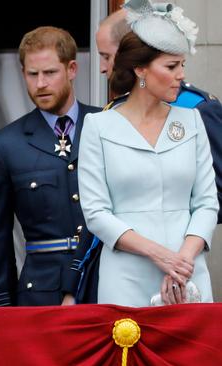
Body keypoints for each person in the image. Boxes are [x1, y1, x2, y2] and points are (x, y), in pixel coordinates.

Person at [79, 1, 218, 307]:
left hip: (188, 272)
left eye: (182, 64)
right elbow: (97, 213)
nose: (181, 75)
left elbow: (207, 202)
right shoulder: (98, 126)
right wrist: (160, 255)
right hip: (127, 277)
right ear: (140, 69)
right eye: (171, 66)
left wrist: (182, 259)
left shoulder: (191, 120)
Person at [0, 26, 100, 306]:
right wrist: (0, 305)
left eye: (50, 73)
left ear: (71, 69)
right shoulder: (5, 145)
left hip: (105, 280)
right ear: (23, 74)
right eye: (33, 74)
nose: (41, 83)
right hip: (42, 293)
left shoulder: (106, 125)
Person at [97, 6, 222, 223]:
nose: (102, 67)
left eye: (106, 56)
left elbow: (217, 194)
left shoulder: (196, 109)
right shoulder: (111, 113)